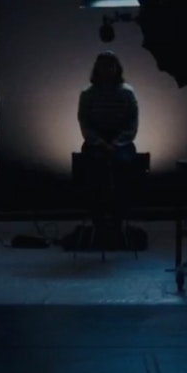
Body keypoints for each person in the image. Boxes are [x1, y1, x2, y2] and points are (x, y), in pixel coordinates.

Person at [76, 51, 139, 235]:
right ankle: (98, 223)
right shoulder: (87, 94)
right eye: (103, 66)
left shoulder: (127, 92)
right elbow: (84, 123)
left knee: (123, 173)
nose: (107, 70)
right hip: (96, 142)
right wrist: (100, 143)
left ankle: (118, 222)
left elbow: (132, 123)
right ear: (97, 69)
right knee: (93, 174)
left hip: (121, 142)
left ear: (117, 68)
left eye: (110, 65)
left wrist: (117, 143)